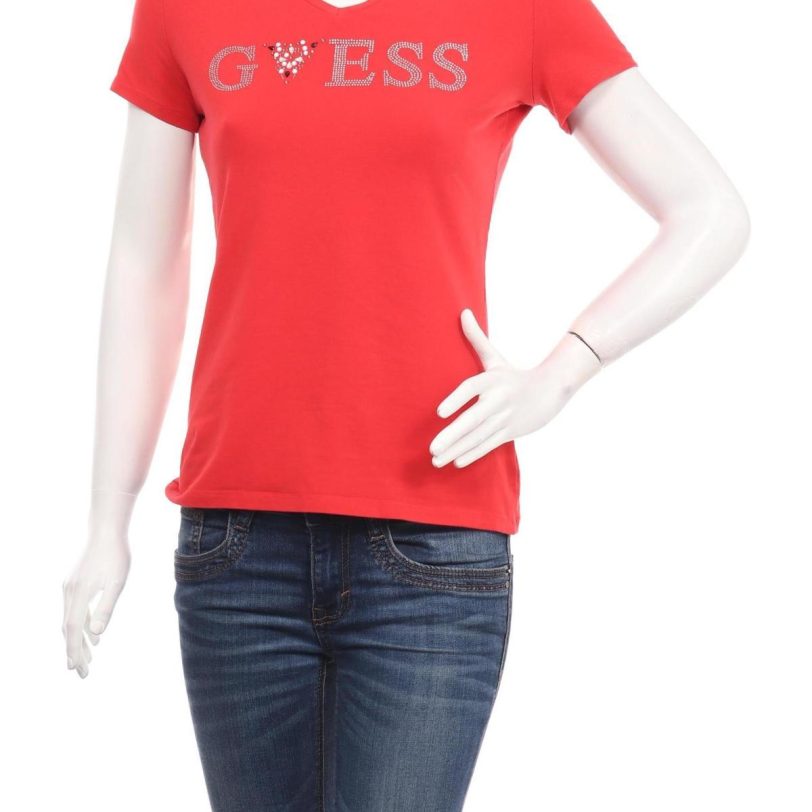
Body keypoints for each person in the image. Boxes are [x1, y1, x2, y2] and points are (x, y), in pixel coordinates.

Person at [62, 0, 750, 809]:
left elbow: (709, 210)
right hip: (238, 548)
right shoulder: (182, 10)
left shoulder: (525, 11)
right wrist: (107, 521)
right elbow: (146, 259)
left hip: (433, 546)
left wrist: (562, 373)